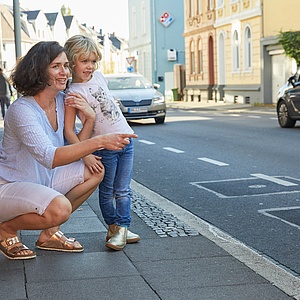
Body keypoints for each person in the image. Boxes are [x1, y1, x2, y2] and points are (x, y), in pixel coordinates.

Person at [0, 41, 137, 260]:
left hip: (43, 180)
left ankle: (49, 233)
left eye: (65, 65)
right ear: (38, 70)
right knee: (60, 209)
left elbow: (73, 148)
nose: (65, 72)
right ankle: (6, 229)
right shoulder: (22, 110)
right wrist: (100, 141)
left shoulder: (63, 100)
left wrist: (90, 119)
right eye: (56, 66)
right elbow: (49, 157)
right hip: (10, 187)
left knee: (95, 170)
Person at [64, 35, 140, 251]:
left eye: (93, 61)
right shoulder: (72, 93)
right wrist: (84, 154)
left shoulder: (99, 77)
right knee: (108, 191)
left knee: (123, 189)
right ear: (71, 62)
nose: (90, 66)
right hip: (104, 147)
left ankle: (121, 228)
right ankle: (115, 228)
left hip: (126, 140)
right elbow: (69, 130)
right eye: (84, 61)